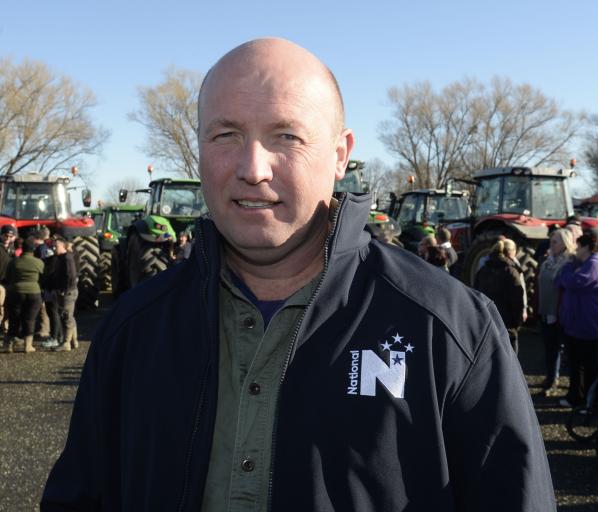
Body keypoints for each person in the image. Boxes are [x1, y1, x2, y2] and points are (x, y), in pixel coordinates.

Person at [42, 38, 555, 511]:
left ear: (339, 155)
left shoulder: (450, 329)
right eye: (226, 134)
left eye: (285, 135)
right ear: (199, 149)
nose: (253, 168)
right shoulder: (133, 329)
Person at [555, 232, 598, 407]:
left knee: (587, 364)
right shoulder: (585, 264)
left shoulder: (594, 265)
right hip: (577, 322)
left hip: (586, 323)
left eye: (578, 247)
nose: (575, 250)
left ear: (586, 247)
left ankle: (589, 401)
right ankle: (575, 397)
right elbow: (560, 282)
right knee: (576, 363)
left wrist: (568, 269)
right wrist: (568, 273)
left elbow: (572, 282)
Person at [537, 228, 576, 395]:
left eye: (555, 241)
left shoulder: (568, 264)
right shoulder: (547, 261)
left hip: (559, 312)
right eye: (551, 241)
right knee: (548, 347)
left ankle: (555, 381)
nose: (551, 244)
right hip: (545, 309)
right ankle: (550, 377)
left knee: (558, 348)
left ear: (565, 244)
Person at [473, 239, 526, 353]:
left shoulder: (483, 270)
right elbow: (517, 300)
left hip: (488, 322)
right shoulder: (511, 272)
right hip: (507, 325)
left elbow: (476, 294)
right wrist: (516, 324)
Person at [2, 236, 43, 353]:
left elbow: (8, 277)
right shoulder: (38, 262)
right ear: (33, 249)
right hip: (34, 293)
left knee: (14, 318)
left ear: (22, 248)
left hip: (16, 292)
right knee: (29, 319)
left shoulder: (14, 262)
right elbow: (43, 277)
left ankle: (8, 345)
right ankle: (28, 346)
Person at [49, 236, 79, 351]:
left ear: (63, 246)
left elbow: (71, 275)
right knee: (68, 316)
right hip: (65, 291)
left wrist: (65, 290)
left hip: (68, 292)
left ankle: (66, 343)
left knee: (66, 317)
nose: (53, 248)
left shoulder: (67, 258)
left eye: (56, 246)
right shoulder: (61, 258)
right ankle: (73, 341)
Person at [0, 225, 17, 335]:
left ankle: (6, 332)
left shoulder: (12, 249)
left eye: (11, 236)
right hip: (0, 283)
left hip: (10, 283)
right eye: (6, 235)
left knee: (7, 309)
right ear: (1, 235)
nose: (8, 238)